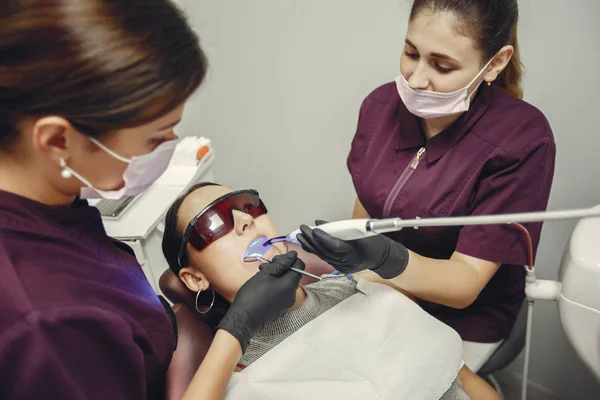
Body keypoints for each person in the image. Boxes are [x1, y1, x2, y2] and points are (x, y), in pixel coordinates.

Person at [0, 1, 303, 399]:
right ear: (58, 141)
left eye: (247, 207)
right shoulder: (46, 326)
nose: (171, 146)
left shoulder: (55, 198)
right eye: (156, 136)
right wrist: (237, 329)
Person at [298, 0, 556, 375]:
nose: (416, 79)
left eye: (442, 65)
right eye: (410, 53)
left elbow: (464, 283)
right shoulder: (380, 106)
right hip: (386, 290)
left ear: (495, 63)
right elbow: (368, 208)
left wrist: (383, 261)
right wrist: (345, 278)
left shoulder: (521, 140)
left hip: (463, 319)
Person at [161, 182, 503, 400]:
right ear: (194, 279)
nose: (245, 220)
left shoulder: (356, 287)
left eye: (248, 204)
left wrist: (386, 258)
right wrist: (238, 326)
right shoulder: (236, 376)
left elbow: (458, 375)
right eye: (213, 222)